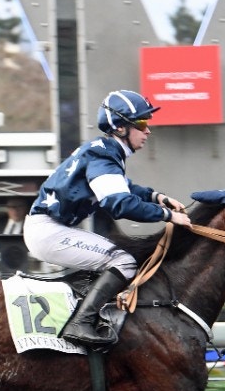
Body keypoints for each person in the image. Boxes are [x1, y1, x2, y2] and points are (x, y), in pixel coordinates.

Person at [22, 89, 191, 350]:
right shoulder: (104, 154)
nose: (148, 131)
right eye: (141, 124)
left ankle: (89, 314)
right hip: (48, 232)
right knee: (124, 261)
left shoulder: (104, 150)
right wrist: (169, 216)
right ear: (121, 128)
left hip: (49, 228)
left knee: (114, 257)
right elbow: (119, 204)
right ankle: (81, 323)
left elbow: (124, 187)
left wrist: (157, 197)